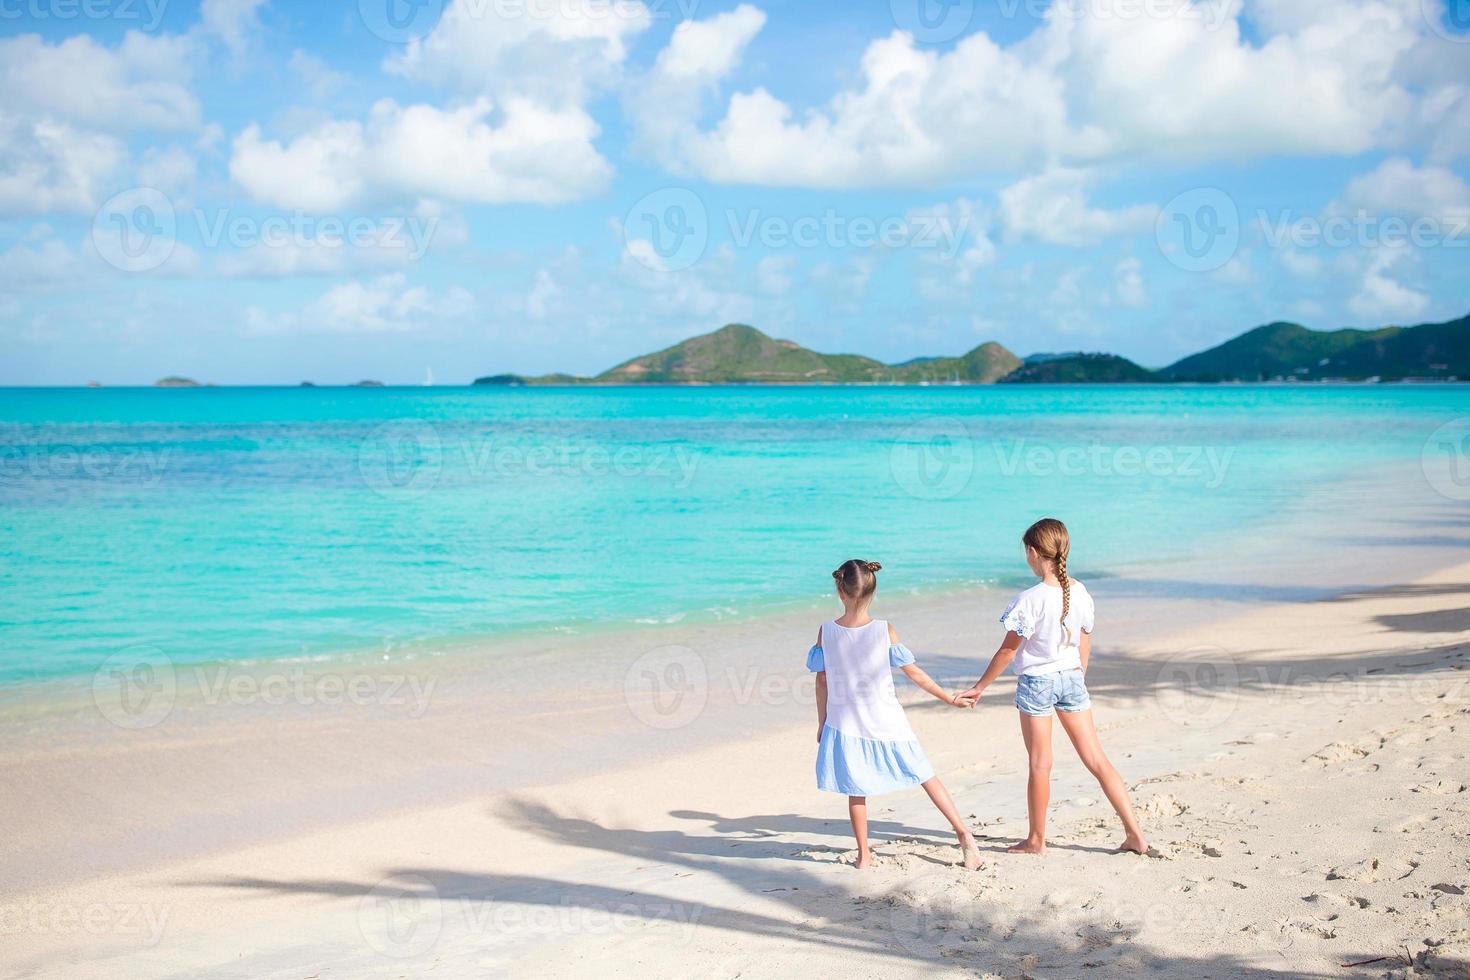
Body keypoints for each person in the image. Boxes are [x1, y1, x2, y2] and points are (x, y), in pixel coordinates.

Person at [957, 519, 1148, 856]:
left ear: (1033, 552)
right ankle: (1135, 835)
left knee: (1040, 764)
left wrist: (980, 687)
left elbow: (1007, 651)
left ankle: (1036, 840)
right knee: (1097, 760)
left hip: (1037, 684)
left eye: (1026, 553)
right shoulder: (1081, 592)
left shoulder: (1029, 599)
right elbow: (1084, 639)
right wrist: (1078, 675)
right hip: (1072, 677)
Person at [809, 559, 982, 870]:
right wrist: (947, 697)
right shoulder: (883, 630)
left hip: (845, 722)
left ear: (839, 590)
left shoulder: (826, 632)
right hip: (888, 720)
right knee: (925, 775)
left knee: (855, 789)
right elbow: (913, 673)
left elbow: (821, 680)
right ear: (873, 592)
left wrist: (822, 722)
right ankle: (964, 835)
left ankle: (864, 855)